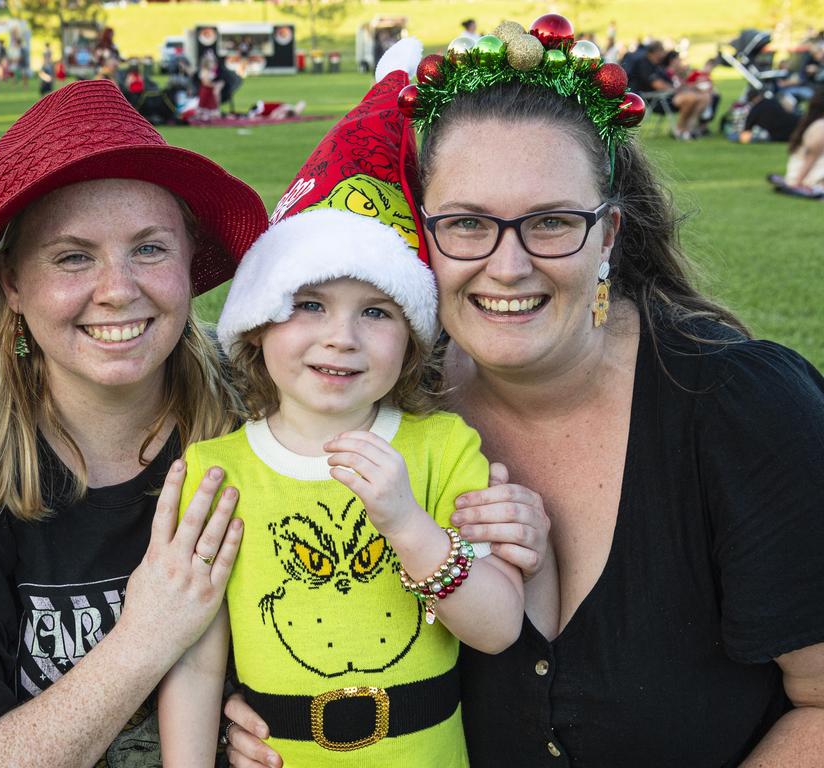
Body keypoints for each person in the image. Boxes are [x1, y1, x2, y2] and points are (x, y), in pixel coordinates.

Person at [223, 17, 824, 768]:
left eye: (550, 222)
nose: (508, 266)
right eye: (468, 224)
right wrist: (259, 715)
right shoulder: (380, 404)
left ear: (607, 236)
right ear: (423, 238)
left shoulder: (742, 408)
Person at [0, 78, 269, 766]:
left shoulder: (265, 404)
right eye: (73, 256)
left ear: (192, 260)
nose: (118, 289)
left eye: (150, 248)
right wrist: (144, 637)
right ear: (12, 283)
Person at [159, 55, 526, 767]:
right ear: (259, 323)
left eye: (377, 311)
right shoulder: (215, 470)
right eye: (309, 304)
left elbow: (498, 626)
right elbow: (197, 662)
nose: (341, 337)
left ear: (414, 338)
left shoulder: (444, 447)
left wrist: (407, 524)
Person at [628, 40, 711, 140]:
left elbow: (671, 81)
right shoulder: (645, 65)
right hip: (657, 99)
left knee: (703, 97)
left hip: (668, 96)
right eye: (661, 51)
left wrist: (689, 86)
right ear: (655, 52)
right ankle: (679, 130)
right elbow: (658, 85)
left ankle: (688, 129)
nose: (663, 54)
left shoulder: (658, 64)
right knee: (690, 98)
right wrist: (676, 90)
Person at [784, 86, 824, 191]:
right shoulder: (820, 127)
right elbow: (810, 158)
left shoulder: (814, 124)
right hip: (811, 180)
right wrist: (797, 183)